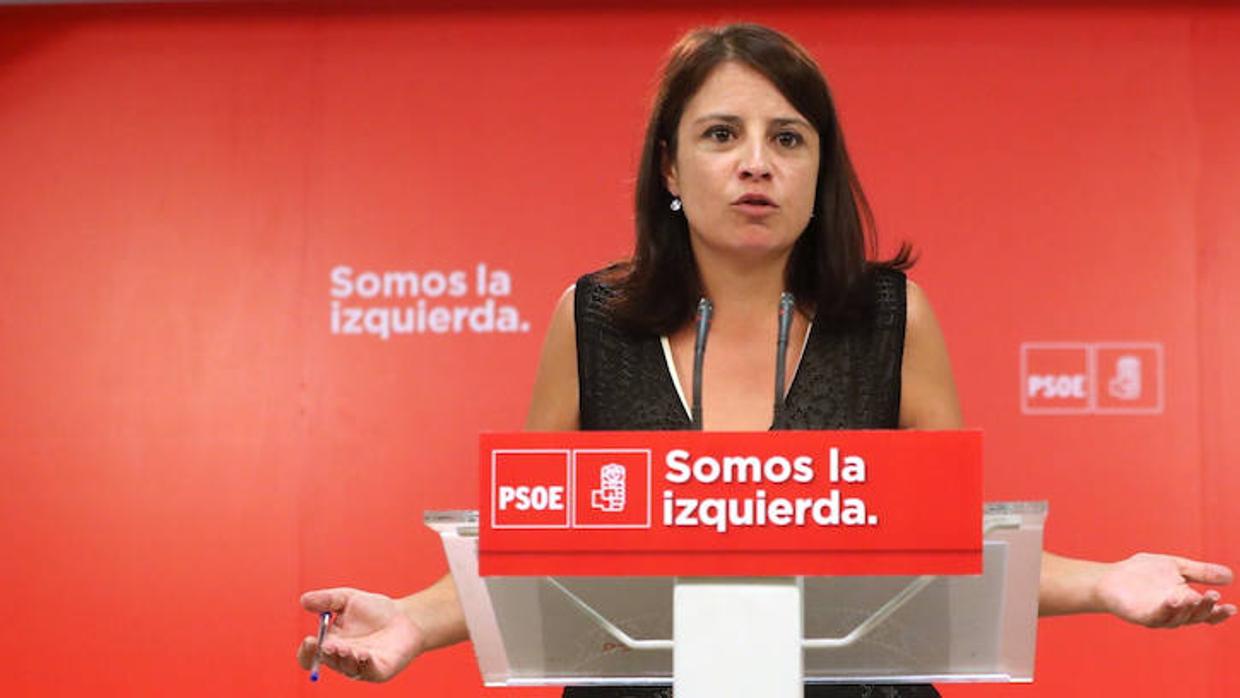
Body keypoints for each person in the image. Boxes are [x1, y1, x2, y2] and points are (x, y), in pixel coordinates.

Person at [295, 23, 1235, 694]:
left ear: (819, 170)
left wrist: (1108, 581)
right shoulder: (590, 321)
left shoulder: (889, 319)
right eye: (722, 135)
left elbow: (956, 556)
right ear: (670, 168)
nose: (757, 163)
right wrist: (415, 620)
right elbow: (537, 552)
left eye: (788, 138)